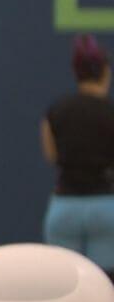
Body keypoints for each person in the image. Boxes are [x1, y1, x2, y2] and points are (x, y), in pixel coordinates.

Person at [41, 35, 114, 283]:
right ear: (106, 72)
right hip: (106, 207)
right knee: (105, 285)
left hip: (64, 208)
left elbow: (52, 155)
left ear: (76, 72)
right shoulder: (110, 113)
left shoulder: (55, 111)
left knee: (65, 284)